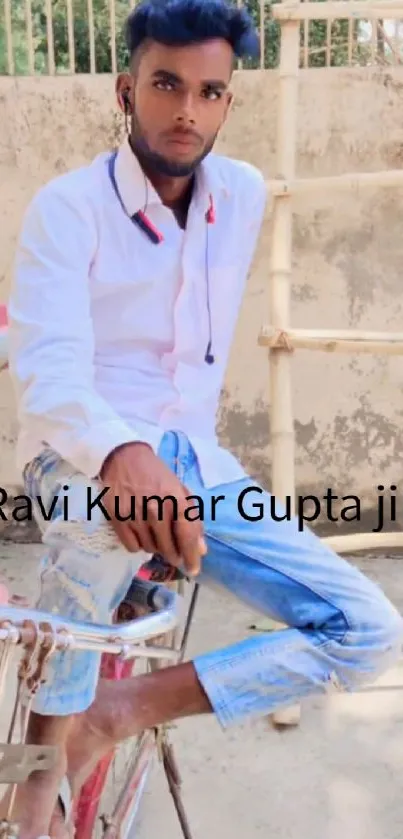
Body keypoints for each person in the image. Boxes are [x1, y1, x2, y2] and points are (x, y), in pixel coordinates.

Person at [3, 0, 403, 834]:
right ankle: (40, 762)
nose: (186, 110)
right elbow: (48, 367)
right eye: (165, 84)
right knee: (100, 521)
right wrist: (123, 450)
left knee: (366, 630)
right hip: (74, 459)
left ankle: (115, 710)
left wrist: (167, 462)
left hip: (200, 469)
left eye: (208, 91)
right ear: (125, 89)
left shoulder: (242, 194)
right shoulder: (67, 207)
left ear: (229, 101)